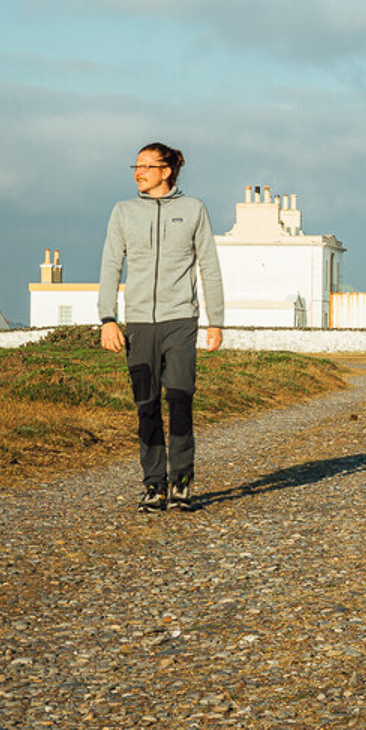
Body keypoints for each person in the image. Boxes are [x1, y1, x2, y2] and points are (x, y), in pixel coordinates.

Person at [99, 142, 225, 512]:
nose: (138, 173)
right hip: (139, 323)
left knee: (180, 399)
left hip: (180, 320)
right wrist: (108, 319)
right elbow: (111, 265)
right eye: (135, 166)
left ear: (166, 171)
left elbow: (209, 266)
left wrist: (216, 322)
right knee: (147, 405)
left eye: (146, 166)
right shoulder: (123, 211)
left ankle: (181, 481)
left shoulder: (193, 210)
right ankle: (154, 485)